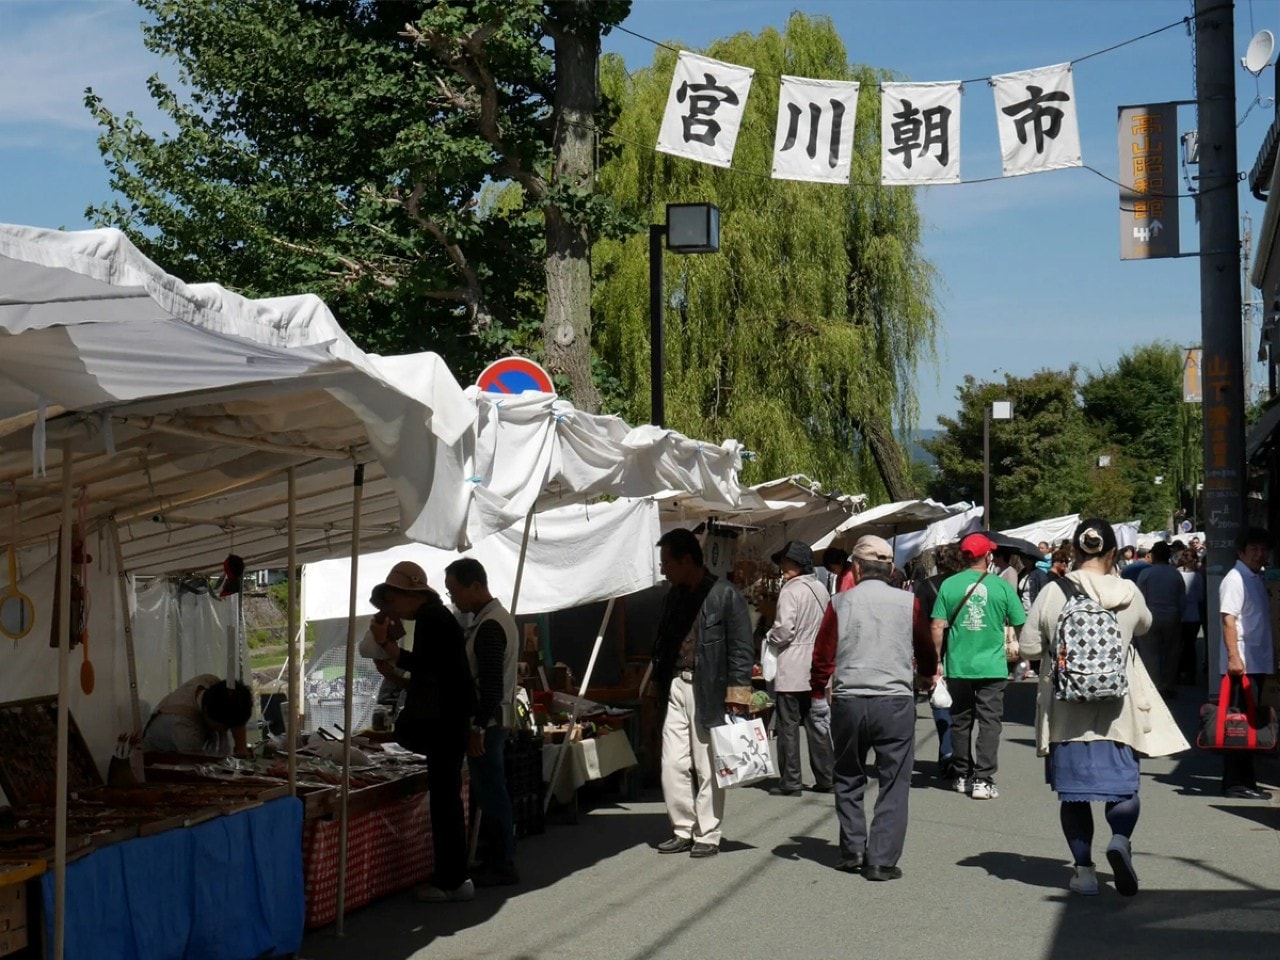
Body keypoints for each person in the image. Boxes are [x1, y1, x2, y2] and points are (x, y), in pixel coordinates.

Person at [1021, 519, 1187, 897]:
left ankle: (1084, 872)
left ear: (1074, 552)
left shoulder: (1053, 592)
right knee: (1122, 791)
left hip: (1066, 713)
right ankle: (1120, 840)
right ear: (1113, 553)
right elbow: (1145, 626)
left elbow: (1030, 647)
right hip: (1119, 712)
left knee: (1074, 796)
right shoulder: (1128, 591)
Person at [811, 535, 936, 880]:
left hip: (849, 699)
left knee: (848, 774)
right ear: (891, 568)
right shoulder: (907, 602)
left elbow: (822, 654)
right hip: (894, 699)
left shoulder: (840, 602)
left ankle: (852, 850)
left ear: (856, 567)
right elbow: (925, 647)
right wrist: (926, 675)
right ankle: (880, 859)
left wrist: (818, 692)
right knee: (893, 779)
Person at [365, 560, 477, 902]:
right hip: (452, 718)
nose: (390, 609)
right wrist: (395, 661)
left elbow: (427, 670)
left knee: (444, 802)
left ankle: (449, 880)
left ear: (406, 595)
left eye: (391, 601)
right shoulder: (438, 619)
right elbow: (431, 671)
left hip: (445, 721)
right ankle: (454, 877)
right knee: (447, 800)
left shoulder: (432, 619)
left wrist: (391, 649)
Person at [650, 528, 754, 858]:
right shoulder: (674, 596)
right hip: (676, 685)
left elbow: (741, 648)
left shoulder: (725, 594)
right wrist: (655, 683)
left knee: (707, 765)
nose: (663, 569)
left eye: (667, 562)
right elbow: (663, 644)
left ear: (687, 560)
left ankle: (707, 833)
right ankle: (683, 828)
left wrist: (738, 696)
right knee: (672, 763)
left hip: (709, 687)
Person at [930, 533, 1026, 800]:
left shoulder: (949, 585)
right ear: (988, 555)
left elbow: (937, 626)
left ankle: (962, 775)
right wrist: (1025, 656)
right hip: (993, 666)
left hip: (958, 664)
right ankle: (983, 779)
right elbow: (1020, 624)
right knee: (990, 722)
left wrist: (937, 660)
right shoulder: (1002, 586)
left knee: (960, 720)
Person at [444, 557, 521, 886]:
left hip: (488, 724)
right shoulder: (491, 620)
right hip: (490, 721)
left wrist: (477, 726)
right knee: (490, 790)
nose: (454, 599)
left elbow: (490, 685)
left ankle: (503, 861)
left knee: (491, 792)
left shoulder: (490, 626)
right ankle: (497, 856)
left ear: (475, 586)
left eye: (455, 591)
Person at [764, 540, 833, 796]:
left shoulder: (790, 591)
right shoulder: (821, 589)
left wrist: (769, 636)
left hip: (793, 664)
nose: (782, 567)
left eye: (785, 562)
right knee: (816, 723)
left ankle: (791, 781)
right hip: (816, 665)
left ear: (797, 564)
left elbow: (784, 630)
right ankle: (827, 777)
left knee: (788, 725)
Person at [1218, 527, 1276, 800]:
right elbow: (1228, 618)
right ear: (1241, 552)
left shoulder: (1255, 577)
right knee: (1238, 723)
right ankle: (1236, 783)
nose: (1259, 554)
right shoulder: (1236, 578)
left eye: (1263, 549)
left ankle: (1246, 781)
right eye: (1253, 549)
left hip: (1257, 661)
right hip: (1243, 664)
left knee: (1250, 722)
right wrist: (1233, 657)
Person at [913, 543, 965, 779]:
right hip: (967, 648)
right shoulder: (970, 585)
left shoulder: (927, 586)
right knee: (964, 706)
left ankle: (947, 752)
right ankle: (961, 754)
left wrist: (923, 657)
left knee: (941, 702)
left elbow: (919, 622)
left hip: (938, 650)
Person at [142, 674, 253, 757]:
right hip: (158, 763)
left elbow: (235, 712)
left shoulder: (210, 682)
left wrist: (241, 748)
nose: (226, 731)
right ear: (207, 713)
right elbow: (201, 769)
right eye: (225, 727)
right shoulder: (186, 731)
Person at [1134, 541, 1186, 697]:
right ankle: (1168, 684)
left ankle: (1153, 685)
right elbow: (1182, 598)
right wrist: (1179, 615)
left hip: (1151, 615)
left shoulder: (1146, 573)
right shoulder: (1175, 573)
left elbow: (1140, 597)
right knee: (1172, 653)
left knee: (1150, 653)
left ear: (1153, 556)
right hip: (1172, 616)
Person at [1177, 550, 1206, 685]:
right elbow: (1201, 596)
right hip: (1193, 615)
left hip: (1179, 615)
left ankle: (1179, 672)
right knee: (1190, 646)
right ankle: (1191, 674)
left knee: (1179, 645)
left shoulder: (1176, 574)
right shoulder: (1198, 576)